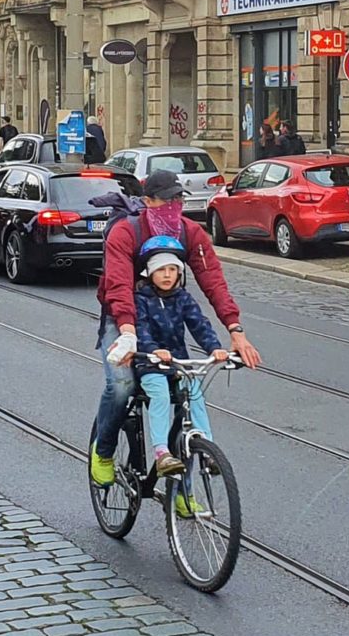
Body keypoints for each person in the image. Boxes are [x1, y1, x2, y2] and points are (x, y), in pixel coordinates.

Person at [90, 169, 262, 486]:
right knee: (122, 386)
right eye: (167, 200)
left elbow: (213, 282)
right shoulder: (126, 232)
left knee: (185, 392)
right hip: (123, 314)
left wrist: (235, 331)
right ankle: (103, 451)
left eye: (178, 198)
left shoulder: (189, 232)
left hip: (166, 310)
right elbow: (117, 285)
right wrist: (127, 333)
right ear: (147, 202)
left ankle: (182, 489)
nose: (174, 205)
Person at [134, 236, 228, 483]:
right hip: (150, 363)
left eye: (172, 270)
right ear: (149, 273)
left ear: (179, 273)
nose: (167, 275)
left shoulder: (183, 298)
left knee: (195, 392)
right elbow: (140, 329)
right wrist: (154, 350)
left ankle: (207, 447)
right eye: (161, 270)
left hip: (177, 364)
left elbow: (199, 324)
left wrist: (214, 348)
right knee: (161, 396)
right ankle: (162, 452)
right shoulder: (141, 299)